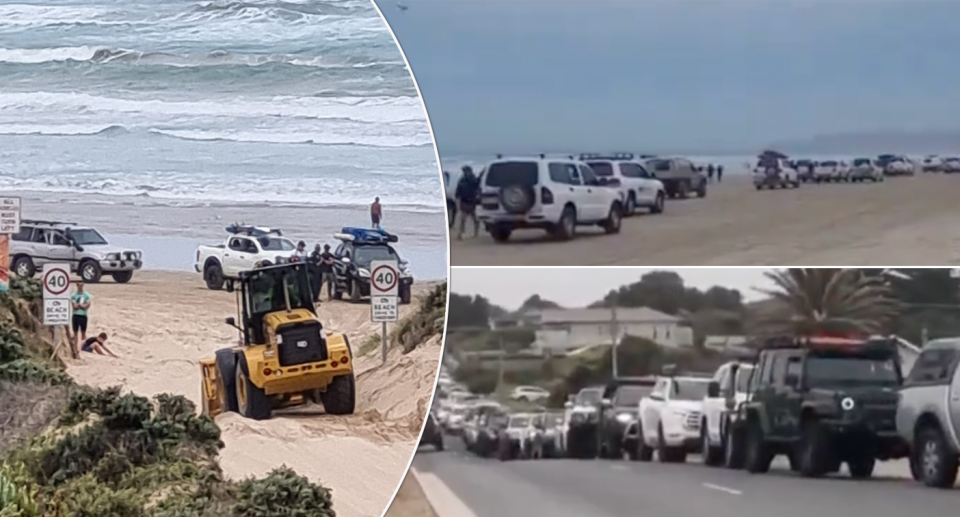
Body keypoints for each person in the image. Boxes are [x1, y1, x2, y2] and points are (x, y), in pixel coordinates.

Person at [454, 165, 480, 239]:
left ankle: (475, 233)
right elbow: (458, 190)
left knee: (474, 219)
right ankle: (460, 234)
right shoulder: (462, 180)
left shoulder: (473, 180)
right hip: (464, 201)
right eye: (464, 171)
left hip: (471, 201)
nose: (465, 173)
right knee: (463, 219)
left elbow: (478, 188)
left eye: (466, 171)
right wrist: (457, 197)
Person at [70, 281, 92, 357]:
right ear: (77, 285)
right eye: (79, 284)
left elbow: (88, 305)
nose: (80, 286)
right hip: (75, 315)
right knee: (75, 334)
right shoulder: (73, 295)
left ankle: (83, 347)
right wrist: (82, 306)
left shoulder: (87, 295)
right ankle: (76, 349)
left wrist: (80, 306)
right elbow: (74, 306)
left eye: (82, 284)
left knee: (83, 333)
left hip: (83, 316)